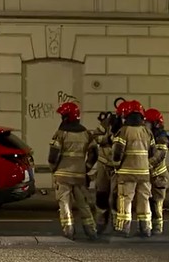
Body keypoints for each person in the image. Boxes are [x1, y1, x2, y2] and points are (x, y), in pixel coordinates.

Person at [48, 102, 98, 240]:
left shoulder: (60, 133)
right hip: (79, 176)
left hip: (62, 175)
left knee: (64, 203)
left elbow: (53, 156)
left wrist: (54, 169)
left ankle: (69, 229)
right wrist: (86, 168)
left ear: (66, 117)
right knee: (83, 204)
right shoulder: (86, 133)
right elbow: (94, 153)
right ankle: (91, 230)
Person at [112, 100, 156, 237]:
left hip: (127, 173)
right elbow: (153, 152)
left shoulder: (123, 131)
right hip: (144, 173)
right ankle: (145, 228)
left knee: (125, 200)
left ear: (126, 116)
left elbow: (117, 152)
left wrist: (116, 165)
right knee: (144, 200)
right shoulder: (147, 132)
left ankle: (123, 228)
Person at [92, 110, 117, 234]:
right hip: (103, 164)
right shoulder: (107, 123)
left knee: (116, 198)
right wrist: (107, 138)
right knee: (101, 195)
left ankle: (116, 225)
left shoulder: (128, 127)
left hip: (117, 167)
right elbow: (96, 137)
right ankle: (100, 223)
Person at [145, 108, 168, 235]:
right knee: (147, 203)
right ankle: (148, 228)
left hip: (159, 177)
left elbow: (159, 156)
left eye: (147, 123)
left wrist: (145, 165)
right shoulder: (150, 136)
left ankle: (157, 229)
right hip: (151, 176)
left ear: (155, 124)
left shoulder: (162, 138)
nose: (145, 125)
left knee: (157, 204)